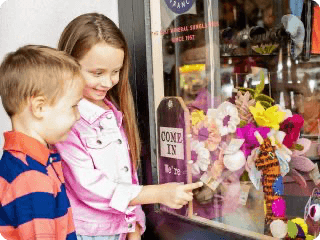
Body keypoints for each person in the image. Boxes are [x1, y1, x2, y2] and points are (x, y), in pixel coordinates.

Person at [54, 13, 203, 240]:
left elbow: (126, 177)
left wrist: (135, 226)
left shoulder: (112, 112)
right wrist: (157, 193)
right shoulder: (68, 122)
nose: (108, 82)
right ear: (68, 65)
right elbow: (90, 188)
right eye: (97, 73)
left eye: (116, 72)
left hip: (121, 231)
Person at [0, 45, 85, 239]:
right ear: (39, 107)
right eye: (73, 106)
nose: (78, 116)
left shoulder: (25, 163)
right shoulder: (31, 178)